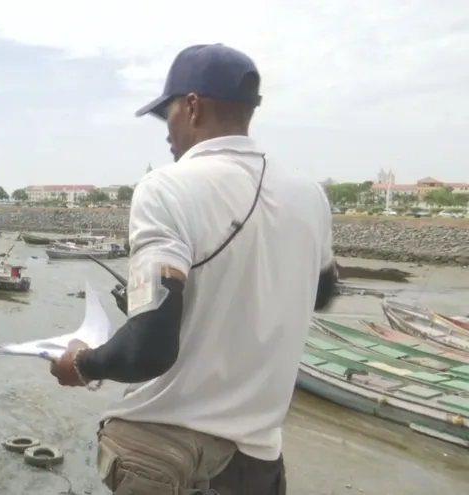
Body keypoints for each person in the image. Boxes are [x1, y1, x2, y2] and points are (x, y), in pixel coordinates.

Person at [49, 43, 337, 495]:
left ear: (194, 106)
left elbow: (149, 351)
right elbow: (321, 294)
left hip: (170, 456)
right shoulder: (311, 196)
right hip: (257, 463)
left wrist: (80, 363)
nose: (167, 132)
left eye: (169, 115)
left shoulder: (165, 187)